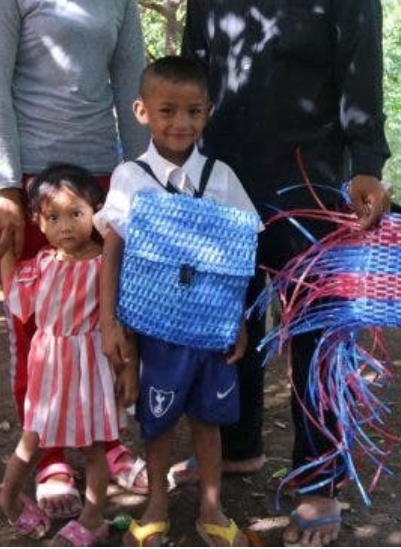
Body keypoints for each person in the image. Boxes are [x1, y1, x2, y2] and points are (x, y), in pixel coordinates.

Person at [179, 0, 392, 547]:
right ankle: (237, 448)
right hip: (222, 188)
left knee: (316, 335)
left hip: (311, 186)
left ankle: (318, 478)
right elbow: (191, 89)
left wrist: (367, 166)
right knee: (227, 322)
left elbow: (362, 73)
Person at [0, 0, 149, 520]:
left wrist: (144, 183)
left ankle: (104, 444)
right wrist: (6, 190)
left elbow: (132, 94)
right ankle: (47, 454)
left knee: (99, 321)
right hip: (32, 189)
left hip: (100, 186)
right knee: (37, 332)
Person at [98, 56, 261, 547]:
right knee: (158, 418)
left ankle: (211, 508)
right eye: (167, 110)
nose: (180, 123)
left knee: (208, 420)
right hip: (153, 330)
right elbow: (111, 253)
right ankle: (157, 505)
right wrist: (109, 324)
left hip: (211, 328)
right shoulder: (130, 177)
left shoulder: (221, 178)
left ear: (208, 112)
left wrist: (238, 320)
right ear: (141, 111)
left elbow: (240, 255)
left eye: (193, 111)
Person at [0, 164, 117, 547]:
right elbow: (16, 297)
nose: (65, 226)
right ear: (39, 223)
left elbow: (118, 318)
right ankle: (9, 498)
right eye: (53, 217)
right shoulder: (42, 265)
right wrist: (5, 250)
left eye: (76, 214)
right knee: (31, 442)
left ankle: (92, 518)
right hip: (49, 370)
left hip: (89, 368)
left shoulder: (105, 266)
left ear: (96, 211)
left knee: (94, 447)